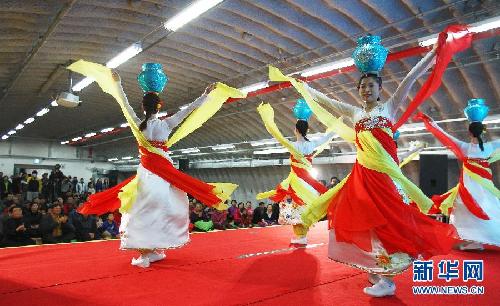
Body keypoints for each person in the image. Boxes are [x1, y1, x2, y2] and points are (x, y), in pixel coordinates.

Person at [295, 40, 461, 297]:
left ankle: (388, 277)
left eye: (371, 85)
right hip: (362, 175)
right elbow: (326, 101)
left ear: (380, 88)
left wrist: (432, 54)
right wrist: (303, 86)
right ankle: (376, 269)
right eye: (362, 86)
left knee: (388, 222)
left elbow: (411, 77)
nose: (366, 89)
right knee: (364, 222)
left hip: (384, 177)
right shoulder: (354, 113)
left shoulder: (390, 107)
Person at [69, 61, 240, 268]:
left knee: (139, 211)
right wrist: (205, 95)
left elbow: (123, 103)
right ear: (160, 106)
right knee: (162, 210)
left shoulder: (137, 124)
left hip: (148, 175)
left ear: (143, 106)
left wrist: (118, 83)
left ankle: (144, 255)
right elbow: (189, 110)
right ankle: (155, 250)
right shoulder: (166, 124)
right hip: (166, 174)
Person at [416, 110, 500, 250]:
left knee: (465, 211)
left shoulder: (465, 147)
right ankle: (478, 241)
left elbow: (443, 136)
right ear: (483, 132)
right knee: (489, 208)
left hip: (468, 187)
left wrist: (431, 123)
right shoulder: (490, 147)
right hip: (485, 188)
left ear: (469, 132)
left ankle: (475, 241)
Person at [256, 101, 333, 245]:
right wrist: (337, 127)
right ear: (306, 130)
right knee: (305, 207)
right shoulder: (311, 144)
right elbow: (327, 136)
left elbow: (276, 135)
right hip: (309, 183)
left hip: (297, 182)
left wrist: (267, 119)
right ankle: (302, 235)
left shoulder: (293, 146)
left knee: (296, 207)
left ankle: (300, 236)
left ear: (295, 130)